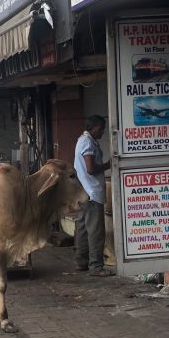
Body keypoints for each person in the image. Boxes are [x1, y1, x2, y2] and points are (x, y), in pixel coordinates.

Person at [74, 114, 113, 277]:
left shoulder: (82, 140)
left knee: (82, 228)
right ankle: (96, 266)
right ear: (94, 127)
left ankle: (81, 262)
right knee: (95, 230)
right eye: (101, 129)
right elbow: (90, 168)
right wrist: (108, 165)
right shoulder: (88, 142)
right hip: (92, 191)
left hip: (84, 190)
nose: (102, 132)